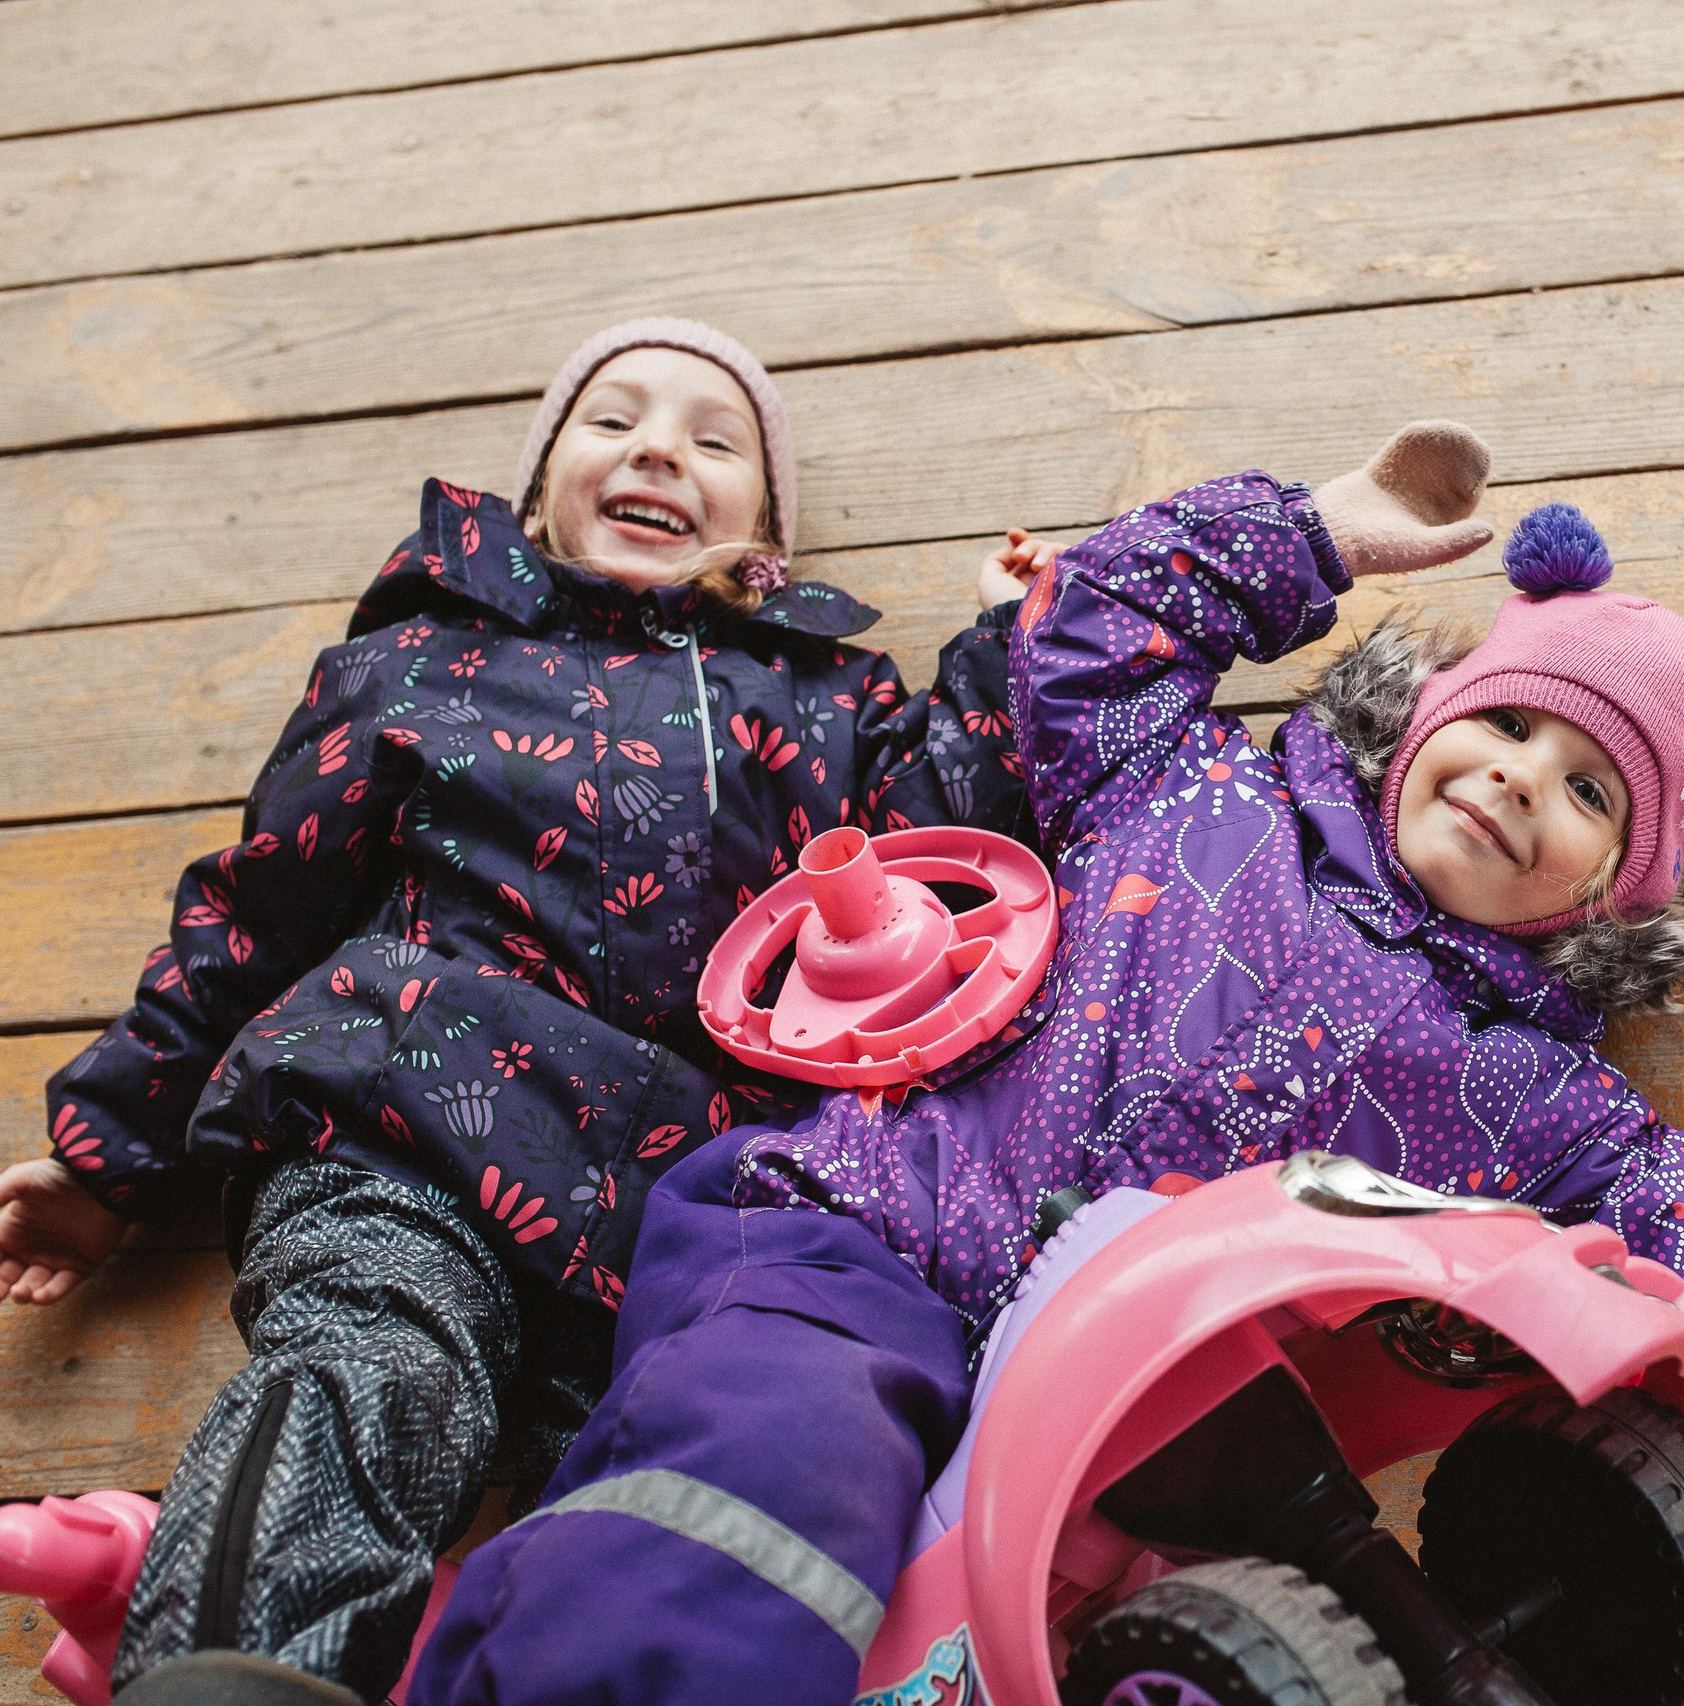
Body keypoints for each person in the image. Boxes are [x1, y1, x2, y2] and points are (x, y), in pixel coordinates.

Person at [411, 424, 1684, 1706]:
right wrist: (1322, 532)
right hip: (864, 1236)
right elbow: (1096, 623)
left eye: (1590, 791)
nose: (1521, 778)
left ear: (1618, 887)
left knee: (1227, 1641)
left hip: (1125, 1449)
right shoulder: (1191, 784)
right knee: (760, 1497)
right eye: (1508, 725)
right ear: (1426, 720)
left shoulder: (1539, 1103)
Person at [0, 319, 1033, 1701]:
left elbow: (930, 857)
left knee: (623, 1512)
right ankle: (228, 1675)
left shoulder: (822, 696)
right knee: (376, 1366)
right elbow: (261, 903)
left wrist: (1010, 648)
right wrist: (107, 1154)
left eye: (714, 440)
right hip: (409, 1116)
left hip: (669, 1209)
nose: (659, 449)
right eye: (613, 420)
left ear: (764, 535)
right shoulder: (424, 654)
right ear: (540, 495)